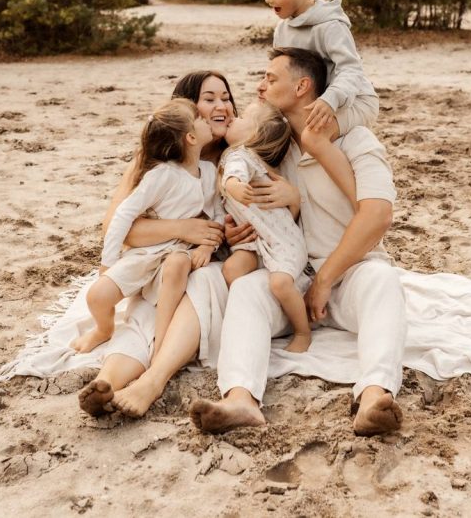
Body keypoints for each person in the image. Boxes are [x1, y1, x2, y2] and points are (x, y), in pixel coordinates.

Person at [190, 48, 407, 437]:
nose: (259, 86)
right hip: (290, 271)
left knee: (385, 282)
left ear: (303, 87)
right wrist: (243, 228)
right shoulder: (270, 145)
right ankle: (241, 399)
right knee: (246, 291)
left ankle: (374, 396)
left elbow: (378, 215)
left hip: (349, 272)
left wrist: (324, 280)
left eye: (271, 78)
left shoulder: (356, 141)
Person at [75, 71, 300, 419]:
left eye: (225, 97)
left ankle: (153, 380)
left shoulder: (241, 155)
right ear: (187, 113)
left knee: (197, 283)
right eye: (208, 100)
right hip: (165, 259)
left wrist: (290, 197)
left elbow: (278, 224)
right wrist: (185, 228)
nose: (222, 106)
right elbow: (116, 225)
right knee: (146, 311)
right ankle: (105, 382)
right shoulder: (158, 160)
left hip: (209, 266)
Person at [69, 98, 219, 356]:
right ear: (191, 138)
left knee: (178, 264)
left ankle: (160, 341)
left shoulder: (209, 172)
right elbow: (124, 213)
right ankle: (103, 330)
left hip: (176, 252)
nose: (206, 118)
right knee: (96, 296)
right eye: (200, 119)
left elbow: (215, 215)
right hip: (146, 253)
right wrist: (108, 261)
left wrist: (207, 245)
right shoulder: (163, 174)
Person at [254, 0, 380, 206]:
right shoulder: (283, 30)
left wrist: (330, 100)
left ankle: (358, 203)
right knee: (273, 132)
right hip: (313, 103)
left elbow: (351, 69)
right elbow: (281, 71)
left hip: (353, 100)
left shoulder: (330, 25)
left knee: (313, 136)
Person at [220, 101, 316, 353]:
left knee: (280, 284)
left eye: (242, 119)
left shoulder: (240, 155)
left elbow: (234, 175)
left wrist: (234, 186)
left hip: (284, 243)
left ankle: (303, 331)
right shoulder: (243, 157)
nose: (234, 118)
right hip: (258, 240)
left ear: (254, 135)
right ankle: (249, 315)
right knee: (231, 269)